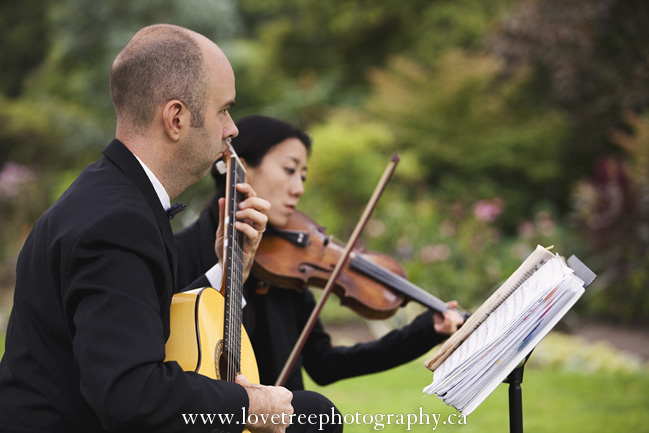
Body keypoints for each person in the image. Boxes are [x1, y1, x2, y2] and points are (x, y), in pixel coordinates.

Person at [0, 25, 340, 433]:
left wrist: (231, 272)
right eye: (223, 110)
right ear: (176, 118)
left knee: (311, 412)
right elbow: (130, 395)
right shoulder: (118, 222)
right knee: (315, 417)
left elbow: (136, 322)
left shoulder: (113, 196)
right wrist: (249, 405)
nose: (232, 129)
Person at [175, 115, 465, 391]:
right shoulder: (178, 254)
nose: (299, 188)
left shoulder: (290, 261)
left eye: (303, 176)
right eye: (290, 170)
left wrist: (424, 332)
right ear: (241, 167)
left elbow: (325, 364)